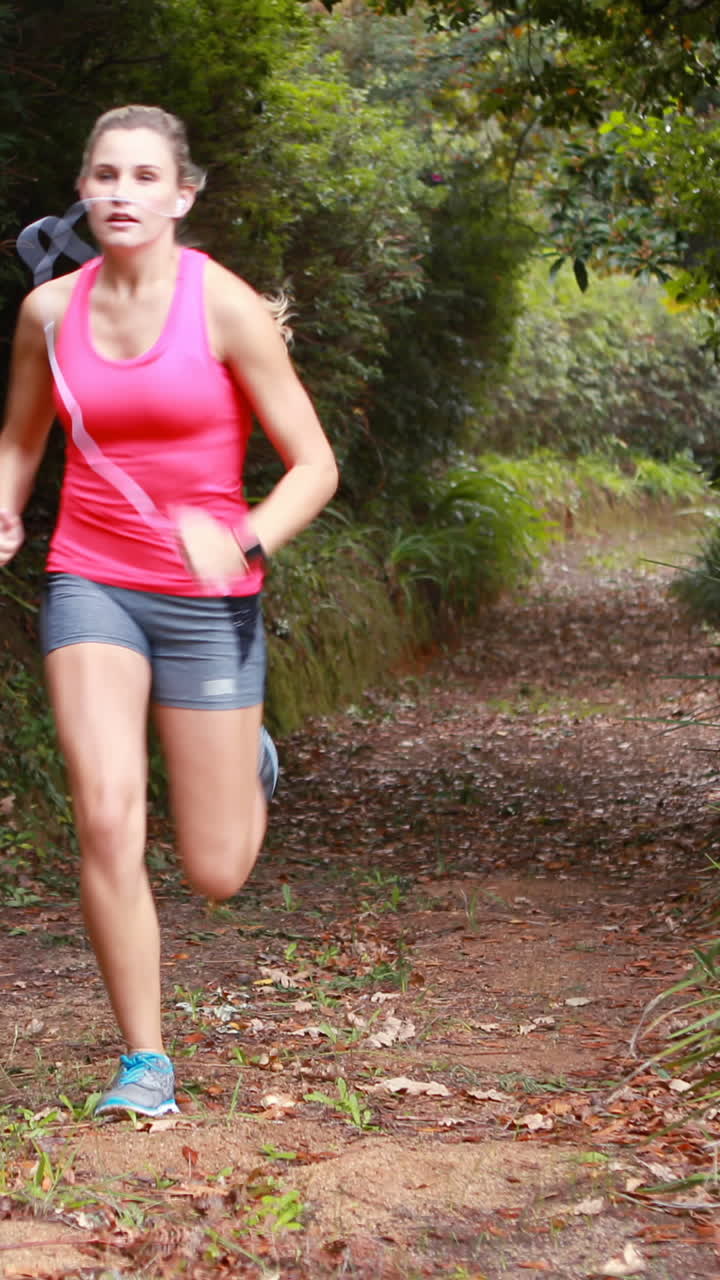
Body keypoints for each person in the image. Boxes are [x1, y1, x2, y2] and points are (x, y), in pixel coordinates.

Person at [0, 105, 339, 1118]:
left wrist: (241, 539)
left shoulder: (225, 308)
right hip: (92, 578)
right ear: (85, 186)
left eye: (146, 176)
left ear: (182, 195)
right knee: (105, 811)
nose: (121, 193)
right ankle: (144, 1062)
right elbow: (21, 437)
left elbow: (314, 465)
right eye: (105, 174)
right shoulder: (51, 314)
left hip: (208, 596)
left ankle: (250, 761)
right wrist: (7, 505)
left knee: (218, 867)